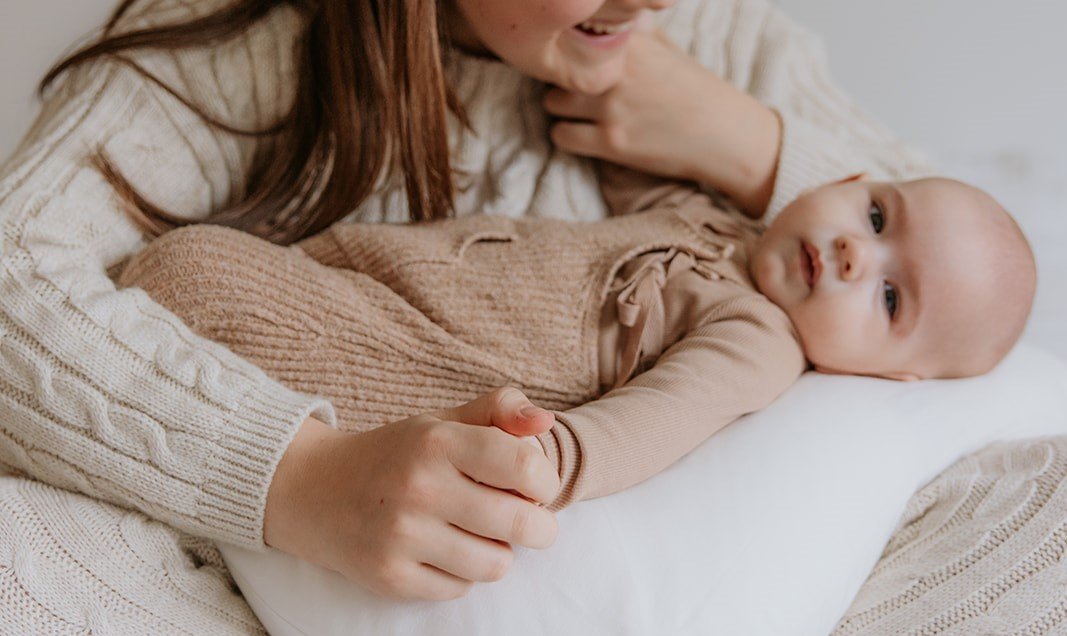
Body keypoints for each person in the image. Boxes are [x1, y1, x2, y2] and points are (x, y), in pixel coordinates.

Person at [0, 0, 940, 636]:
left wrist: (750, 141)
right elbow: (12, 276)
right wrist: (299, 479)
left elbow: (967, 276)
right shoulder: (255, 30)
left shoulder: (707, 34)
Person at [119, 168, 1035, 518]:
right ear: (847, 177)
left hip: (416, 350)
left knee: (187, 275)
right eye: (875, 214)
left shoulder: (757, 339)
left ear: (892, 372)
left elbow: (666, 417)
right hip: (393, 267)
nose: (849, 249)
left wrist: (562, 456)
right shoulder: (721, 218)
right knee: (217, 266)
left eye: (885, 293)